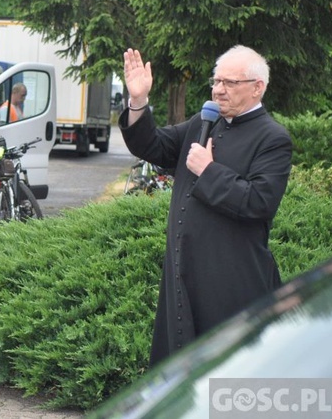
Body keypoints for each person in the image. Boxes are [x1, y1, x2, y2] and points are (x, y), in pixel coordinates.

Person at [120, 46, 292, 366]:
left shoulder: (273, 138)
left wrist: (208, 170)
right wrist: (139, 101)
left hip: (230, 282)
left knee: (228, 375)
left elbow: (259, 202)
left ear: (258, 87)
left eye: (229, 82)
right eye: (216, 81)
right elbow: (152, 145)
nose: (218, 89)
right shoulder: (206, 121)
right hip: (183, 274)